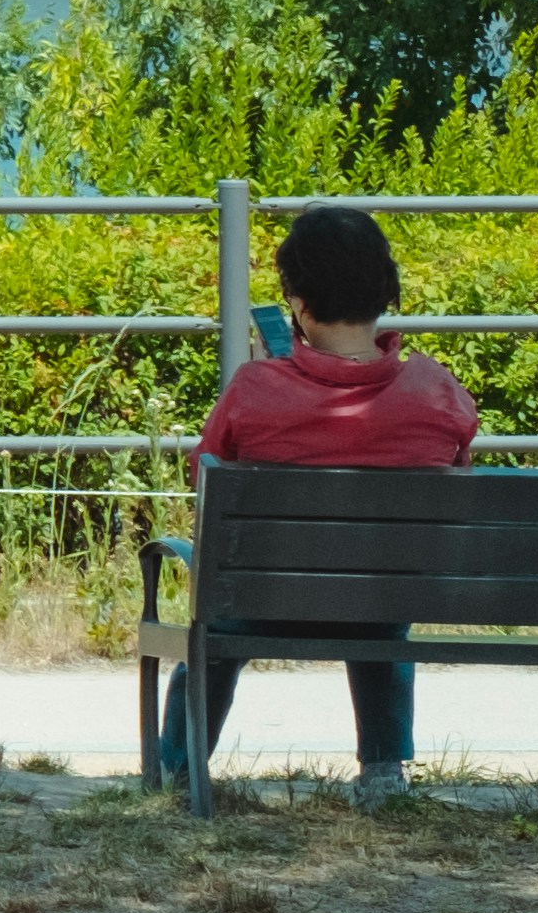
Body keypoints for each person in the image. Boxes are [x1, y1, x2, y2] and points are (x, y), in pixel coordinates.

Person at [198, 202, 476, 805]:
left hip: (261, 597)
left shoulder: (254, 388)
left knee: (214, 628)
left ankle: (177, 766)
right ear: (385, 292)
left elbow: (208, 476)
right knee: (379, 608)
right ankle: (383, 774)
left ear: (296, 301)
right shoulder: (436, 390)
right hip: (385, 596)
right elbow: (458, 480)